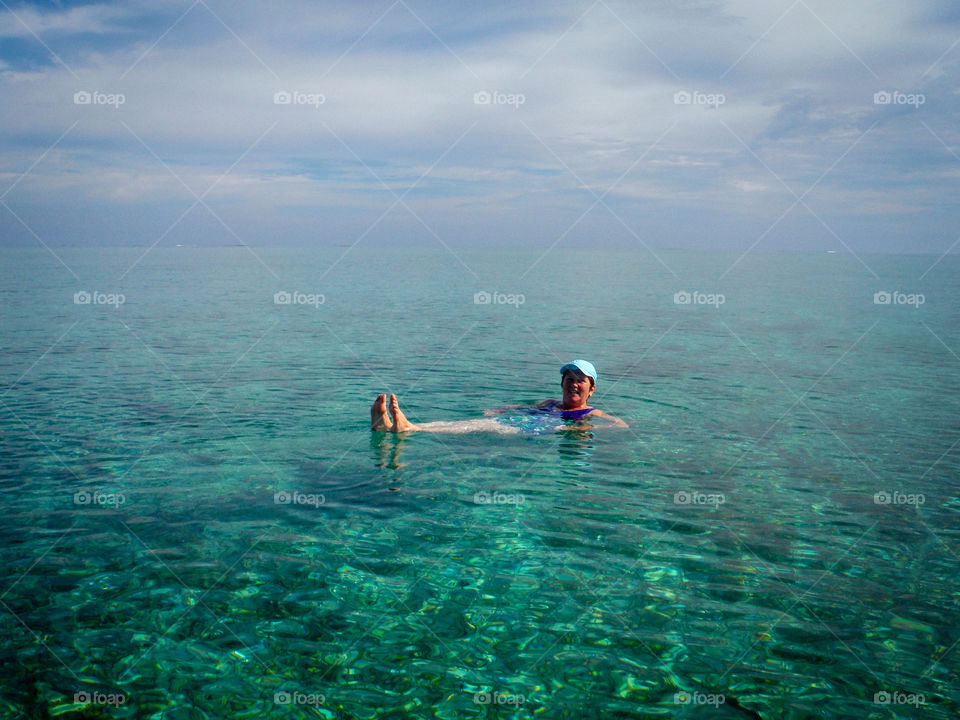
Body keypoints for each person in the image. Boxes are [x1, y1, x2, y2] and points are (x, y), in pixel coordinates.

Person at [370, 360, 628, 433]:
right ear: (562, 384)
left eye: (580, 381)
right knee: (464, 425)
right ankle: (395, 426)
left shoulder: (591, 413)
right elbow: (525, 405)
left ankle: (409, 427)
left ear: (591, 389)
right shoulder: (550, 403)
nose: (573, 385)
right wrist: (502, 409)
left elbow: (620, 425)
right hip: (515, 423)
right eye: (569, 380)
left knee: (469, 427)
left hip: (524, 431)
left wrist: (587, 429)